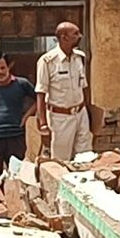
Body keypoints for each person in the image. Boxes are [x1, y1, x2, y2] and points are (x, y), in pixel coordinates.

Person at [35, 22, 93, 161]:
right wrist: (43, 124)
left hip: (81, 114)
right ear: (64, 37)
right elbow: (41, 94)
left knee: (85, 157)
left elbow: (84, 86)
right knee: (61, 160)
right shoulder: (47, 61)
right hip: (60, 118)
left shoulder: (79, 57)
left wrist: (89, 111)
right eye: (75, 34)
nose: (80, 36)